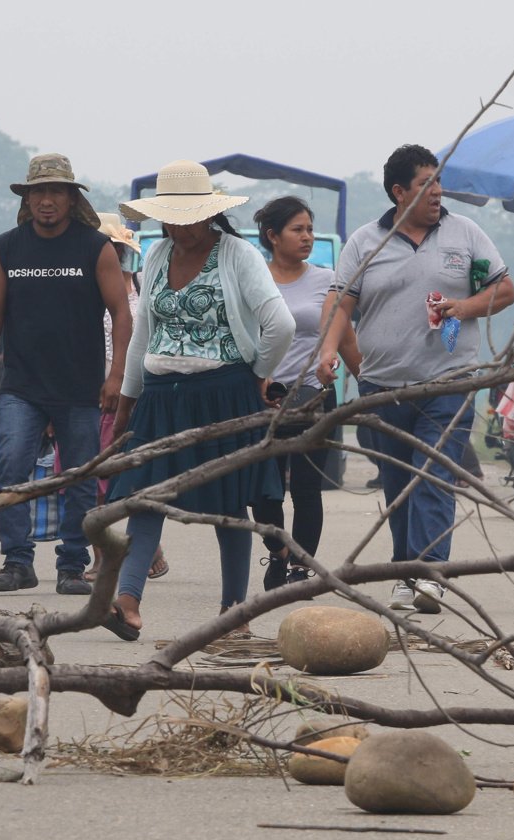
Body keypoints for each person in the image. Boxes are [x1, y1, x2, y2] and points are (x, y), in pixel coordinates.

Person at [316, 143, 514, 614]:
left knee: (434, 473)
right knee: (398, 481)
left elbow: (503, 289)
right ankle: (403, 570)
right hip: (382, 386)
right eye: (426, 184)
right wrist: (328, 351)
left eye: (439, 183)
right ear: (398, 191)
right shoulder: (367, 242)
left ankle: (430, 572)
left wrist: (462, 307)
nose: (437, 193)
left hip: (448, 382)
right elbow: (341, 303)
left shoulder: (465, 235)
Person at [105, 159, 296, 641]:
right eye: (170, 217)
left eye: (189, 217)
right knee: (146, 499)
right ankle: (127, 601)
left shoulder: (237, 255)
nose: (180, 227)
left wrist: (257, 375)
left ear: (209, 213)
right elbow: (143, 335)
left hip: (224, 394)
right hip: (161, 398)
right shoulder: (156, 255)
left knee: (229, 505)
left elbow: (281, 324)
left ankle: (235, 615)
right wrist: (128, 401)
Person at [0, 153, 133, 595]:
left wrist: (116, 375)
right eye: (38, 192)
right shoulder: (8, 247)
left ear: (71, 198)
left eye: (56, 192)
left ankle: (72, 565)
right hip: (21, 387)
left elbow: (121, 313)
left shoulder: (94, 247)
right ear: (27, 198)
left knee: (79, 477)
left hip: (80, 388)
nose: (47, 201)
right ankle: (17, 561)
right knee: (11, 468)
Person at [249, 196, 361, 590]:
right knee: (263, 490)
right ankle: (278, 550)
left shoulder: (326, 280)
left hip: (313, 398)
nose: (307, 237)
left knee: (308, 488)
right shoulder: (254, 279)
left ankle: (300, 566)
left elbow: (344, 337)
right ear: (272, 236)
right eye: (298, 229)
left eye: (310, 229)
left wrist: (368, 382)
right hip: (263, 399)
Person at [89, 213, 168, 583]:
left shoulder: (139, 284)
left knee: (131, 475)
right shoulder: (86, 289)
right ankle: (102, 557)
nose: (111, 251)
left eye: (114, 246)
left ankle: (146, 545)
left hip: (136, 394)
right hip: (93, 395)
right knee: (95, 480)